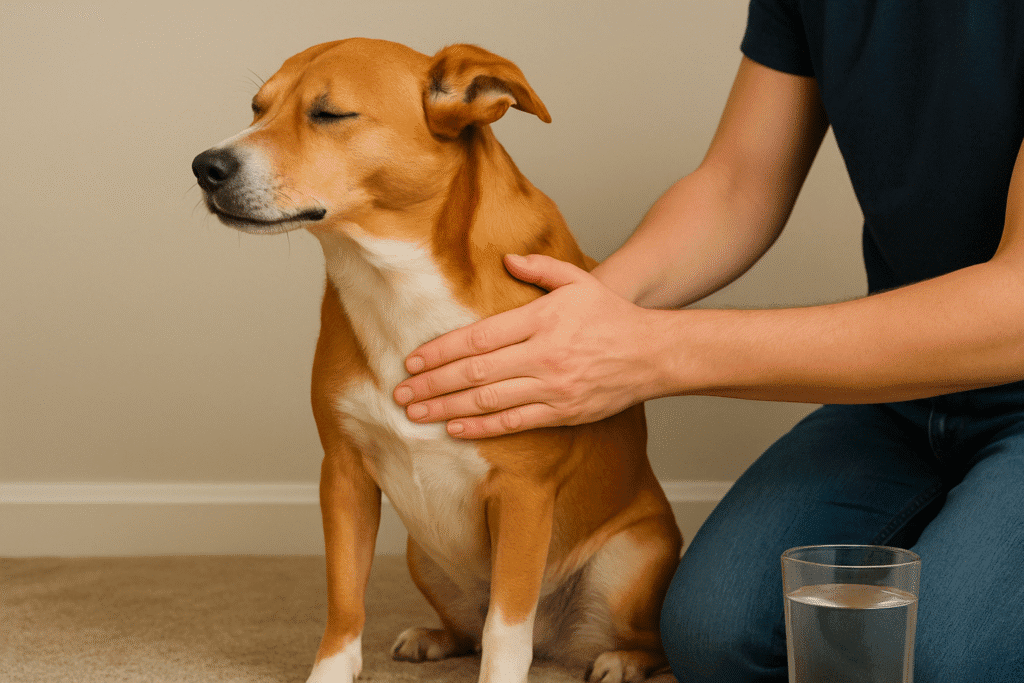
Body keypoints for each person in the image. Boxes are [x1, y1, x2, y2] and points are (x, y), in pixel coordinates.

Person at [391, 2, 1024, 681]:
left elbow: (1014, 306)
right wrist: (585, 312)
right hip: (899, 396)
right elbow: (738, 184)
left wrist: (650, 353)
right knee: (713, 636)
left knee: (941, 662)